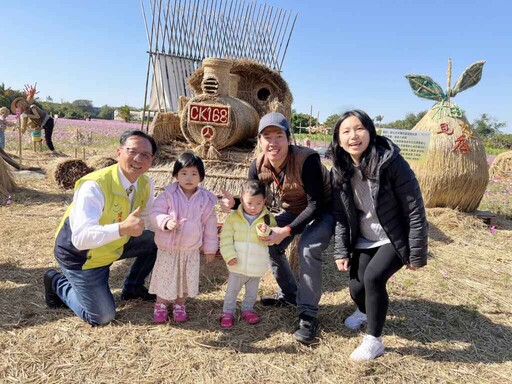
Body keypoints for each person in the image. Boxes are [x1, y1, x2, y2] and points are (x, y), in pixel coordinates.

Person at [221, 112, 333, 344]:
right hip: (293, 210)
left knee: (307, 249)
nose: (273, 142)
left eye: (278, 136)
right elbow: (252, 200)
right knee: (269, 243)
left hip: (323, 210)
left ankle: (307, 314)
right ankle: (290, 295)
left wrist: (286, 230)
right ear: (259, 142)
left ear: (288, 139)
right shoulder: (258, 164)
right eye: (267, 137)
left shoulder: (307, 159)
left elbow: (315, 203)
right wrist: (235, 203)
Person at [330, 109, 428, 360]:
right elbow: (342, 216)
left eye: (359, 128)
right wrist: (341, 250)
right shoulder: (339, 170)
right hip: (364, 237)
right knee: (356, 286)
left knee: (373, 278)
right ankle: (364, 311)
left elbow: (414, 208)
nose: (354, 135)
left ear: (371, 132)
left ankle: (374, 340)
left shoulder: (391, 162)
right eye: (346, 131)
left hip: (394, 236)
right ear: (338, 140)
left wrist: (416, 253)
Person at [44, 130, 158, 326]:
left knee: (159, 240)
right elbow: (80, 239)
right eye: (132, 151)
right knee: (102, 317)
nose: (139, 159)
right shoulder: (94, 186)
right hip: (82, 256)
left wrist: (175, 227)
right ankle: (56, 281)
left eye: (146, 155)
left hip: (115, 244)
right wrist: (122, 229)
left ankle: (133, 288)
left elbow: (149, 218)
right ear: (118, 152)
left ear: (152, 160)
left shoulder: (145, 183)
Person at [149, 151, 218, 324]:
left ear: (201, 177)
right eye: (184, 173)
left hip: (190, 250)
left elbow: (210, 226)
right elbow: (155, 213)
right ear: (176, 175)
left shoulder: (206, 200)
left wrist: (210, 248)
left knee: (186, 279)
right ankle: (161, 304)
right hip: (169, 249)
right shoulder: (168, 195)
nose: (189, 178)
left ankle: (180, 304)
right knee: (165, 277)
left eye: (194, 173)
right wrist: (165, 221)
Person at [219, 179, 277, 329]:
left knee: (252, 292)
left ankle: (248, 309)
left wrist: (268, 236)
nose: (253, 207)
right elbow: (225, 239)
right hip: (237, 263)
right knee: (232, 291)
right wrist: (229, 255)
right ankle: (227, 312)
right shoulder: (233, 218)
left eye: (258, 203)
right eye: (249, 203)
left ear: (264, 201)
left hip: (256, 265)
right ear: (241, 199)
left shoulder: (268, 219)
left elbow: (273, 240)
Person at [10, 84, 57, 152]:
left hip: (48, 121)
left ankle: (54, 151)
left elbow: (37, 116)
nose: (22, 105)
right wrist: (18, 127)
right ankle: (53, 151)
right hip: (43, 124)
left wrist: (27, 115)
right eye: (20, 105)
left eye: (22, 103)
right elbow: (25, 126)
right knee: (46, 138)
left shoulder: (32, 107)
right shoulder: (25, 113)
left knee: (47, 138)